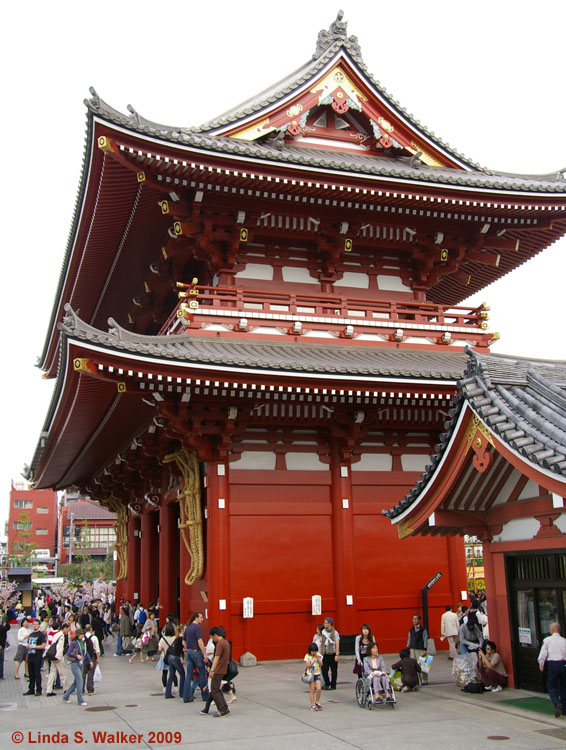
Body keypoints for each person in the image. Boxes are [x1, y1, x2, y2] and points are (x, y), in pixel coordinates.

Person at [538, 621, 566, 717]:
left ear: (552, 630)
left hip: (553, 664)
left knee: (551, 685)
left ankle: (557, 702)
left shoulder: (547, 640)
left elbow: (543, 654)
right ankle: (564, 710)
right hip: (563, 664)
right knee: (563, 687)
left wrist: (541, 664)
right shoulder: (564, 641)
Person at [183, 612, 210, 703]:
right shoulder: (197, 628)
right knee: (202, 673)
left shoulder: (188, 627)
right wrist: (204, 654)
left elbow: (184, 642)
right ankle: (205, 696)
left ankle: (186, 696)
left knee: (189, 675)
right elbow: (200, 641)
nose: (202, 619)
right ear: (196, 618)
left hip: (189, 652)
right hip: (196, 652)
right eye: (201, 617)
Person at [62, 628, 91, 706]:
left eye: (82, 634)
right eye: (81, 635)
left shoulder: (83, 642)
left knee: (76, 682)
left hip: (81, 664)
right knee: (80, 681)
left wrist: (90, 661)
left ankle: (66, 696)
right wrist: (76, 656)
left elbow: (85, 653)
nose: (82, 636)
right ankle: (80, 700)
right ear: (77, 635)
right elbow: (69, 652)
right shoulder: (74, 643)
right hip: (75, 664)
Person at [206, 626, 230, 717]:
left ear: (216, 635)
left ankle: (223, 710)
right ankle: (224, 707)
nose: (213, 639)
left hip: (218, 669)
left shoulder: (220, 644)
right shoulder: (226, 642)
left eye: (212, 637)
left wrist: (212, 669)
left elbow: (216, 658)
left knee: (214, 690)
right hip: (223, 668)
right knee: (217, 689)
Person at [45, 622, 69, 696]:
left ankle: (49, 690)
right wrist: (58, 657)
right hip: (57, 657)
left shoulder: (56, 635)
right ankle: (66, 689)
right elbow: (59, 647)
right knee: (63, 673)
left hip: (52, 656)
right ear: (64, 628)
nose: (68, 630)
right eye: (67, 629)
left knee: (52, 673)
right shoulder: (61, 636)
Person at [24, 620, 46, 696]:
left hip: (37, 656)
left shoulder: (41, 635)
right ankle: (31, 689)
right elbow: (28, 643)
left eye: (36, 624)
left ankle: (39, 689)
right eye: (34, 624)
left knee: (37, 673)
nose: (35, 626)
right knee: (31, 673)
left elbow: (43, 645)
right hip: (30, 655)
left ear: (39, 625)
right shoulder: (31, 634)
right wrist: (28, 646)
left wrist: (34, 647)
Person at [163, 624, 184, 699]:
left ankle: (168, 693)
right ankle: (182, 692)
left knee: (171, 674)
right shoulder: (182, 638)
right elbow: (185, 646)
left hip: (170, 656)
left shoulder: (176, 638)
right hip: (176, 657)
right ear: (182, 630)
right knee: (182, 674)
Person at [407, 614, 428, 684]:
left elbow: (425, 639)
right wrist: (408, 647)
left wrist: (425, 649)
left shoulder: (423, 630)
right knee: (413, 665)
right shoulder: (411, 629)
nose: (414, 621)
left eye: (416, 619)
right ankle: (415, 679)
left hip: (420, 648)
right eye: (413, 619)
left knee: (422, 665)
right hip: (413, 648)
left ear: (419, 620)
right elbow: (409, 638)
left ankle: (424, 679)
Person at [321, 617, 340, 690]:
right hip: (325, 653)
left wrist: (337, 654)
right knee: (324, 670)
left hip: (333, 653)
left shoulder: (335, 632)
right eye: (324, 622)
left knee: (334, 670)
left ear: (330, 624)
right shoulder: (323, 631)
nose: (324, 624)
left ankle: (333, 685)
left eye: (326, 623)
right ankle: (327, 683)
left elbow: (337, 643)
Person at [304, 643, 323, 711]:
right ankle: (312, 705)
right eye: (312, 651)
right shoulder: (307, 656)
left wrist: (317, 659)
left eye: (315, 651)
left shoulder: (317, 655)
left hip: (317, 673)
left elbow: (321, 664)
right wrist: (312, 662)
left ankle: (317, 702)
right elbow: (307, 666)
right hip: (310, 674)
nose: (314, 653)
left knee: (319, 688)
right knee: (312, 690)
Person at [83, 624, 100, 696]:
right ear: (91, 629)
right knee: (91, 673)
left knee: (83, 673)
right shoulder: (94, 638)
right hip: (92, 657)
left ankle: (81, 689)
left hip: (83, 657)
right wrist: (97, 659)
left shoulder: (82, 637)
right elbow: (97, 650)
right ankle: (90, 689)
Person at [0, 609, 10, 679]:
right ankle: (1, 675)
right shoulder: (2, 628)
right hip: (1, 646)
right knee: (1, 661)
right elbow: (8, 627)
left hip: (1, 646)